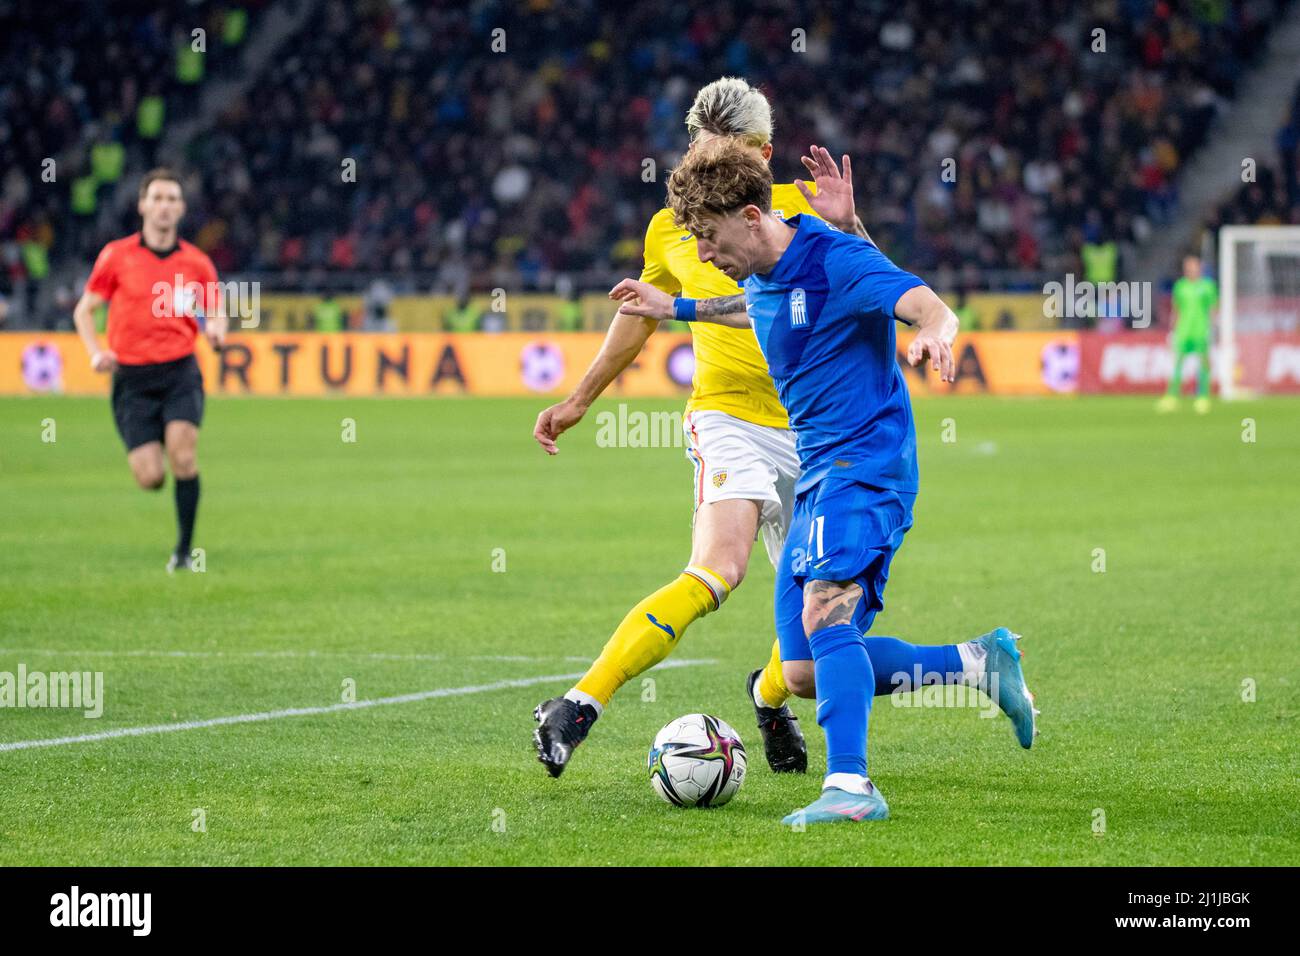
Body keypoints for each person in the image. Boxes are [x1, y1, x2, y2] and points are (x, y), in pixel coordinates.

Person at [611, 139, 1038, 825]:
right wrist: (678, 310)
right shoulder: (764, 268)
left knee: (826, 606)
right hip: (818, 471)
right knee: (804, 671)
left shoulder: (836, 257)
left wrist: (934, 334)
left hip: (866, 464)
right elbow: (751, 303)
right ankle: (977, 663)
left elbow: (928, 304)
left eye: (710, 238)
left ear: (752, 216)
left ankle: (851, 788)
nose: (705, 256)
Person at [531, 77, 874, 778]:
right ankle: (577, 706)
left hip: (818, 435)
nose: (709, 176)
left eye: (729, 159)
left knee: (812, 645)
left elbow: (869, 282)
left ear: (765, 154)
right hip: (727, 416)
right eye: (699, 157)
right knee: (720, 569)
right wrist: (580, 398)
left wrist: (853, 224)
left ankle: (768, 694)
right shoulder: (672, 225)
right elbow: (641, 311)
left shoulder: (806, 212)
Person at [72, 168, 226, 572]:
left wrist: (217, 332)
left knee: (185, 459)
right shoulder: (116, 256)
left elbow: (215, 308)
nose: (164, 206)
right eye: (156, 198)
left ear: (182, 209)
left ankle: (183, 553)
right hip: (132, 379)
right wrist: (94, 353)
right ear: (142, 205)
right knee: (151, 478)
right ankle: (156, 436)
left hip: (179, 373)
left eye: (172, 199)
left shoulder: (196, 262)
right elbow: (84, 310)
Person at [1157, 254, 1217, 414]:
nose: (1191, 270)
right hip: (1183, 331)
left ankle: (1203, 397)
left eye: (1194, 266)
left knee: (1203, 364)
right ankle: (1172, 397)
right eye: (1188, 267)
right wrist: (1172, 329)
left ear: (1200, 268)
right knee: (1177, 363)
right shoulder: (1180, 286)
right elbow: (1176, 310)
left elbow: (1213, 310)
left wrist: (1213, 330)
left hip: (1201, 331)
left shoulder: (1208, 287)